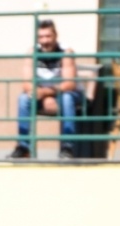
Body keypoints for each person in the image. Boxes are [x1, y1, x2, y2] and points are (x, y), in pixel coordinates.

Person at [10, 19, 83, 159]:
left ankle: (67, 148)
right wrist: (40, 94)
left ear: (56, 36)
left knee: (67, 98)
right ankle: (23, 147)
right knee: (23, 98)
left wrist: (45, 92)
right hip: (43, 95)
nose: (44, 41)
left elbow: (69, 84)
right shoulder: (32, 52)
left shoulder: (66, 51)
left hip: (63, 94)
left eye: (48, 36)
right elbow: (26, 83)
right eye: (41, 37)